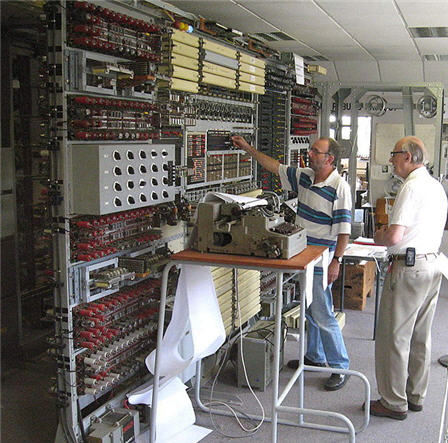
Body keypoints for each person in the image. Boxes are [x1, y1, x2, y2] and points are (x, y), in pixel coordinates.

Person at [231, 135, 352, 391]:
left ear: (329, 159)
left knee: (322, 311)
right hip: (303, 254)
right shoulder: (305, 176)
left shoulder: (340, 187)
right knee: (310, 309)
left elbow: (344, 231)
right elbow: (273, 166)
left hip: (321, 258)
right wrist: (248, 148)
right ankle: (315, 357)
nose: (309, 153)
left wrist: (337, 262)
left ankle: (340, 366)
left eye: (315, 151)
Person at [370, 136, 447, 420]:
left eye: (394, 154)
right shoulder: (436, 186)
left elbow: (393, 236)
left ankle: (392, 402)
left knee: (394, 337)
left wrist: (378, 235)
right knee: (421, 337)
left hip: (408, 269)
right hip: (432, 265)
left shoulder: (411, 187)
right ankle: (416, 396)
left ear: (409, 157)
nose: (391, 159)